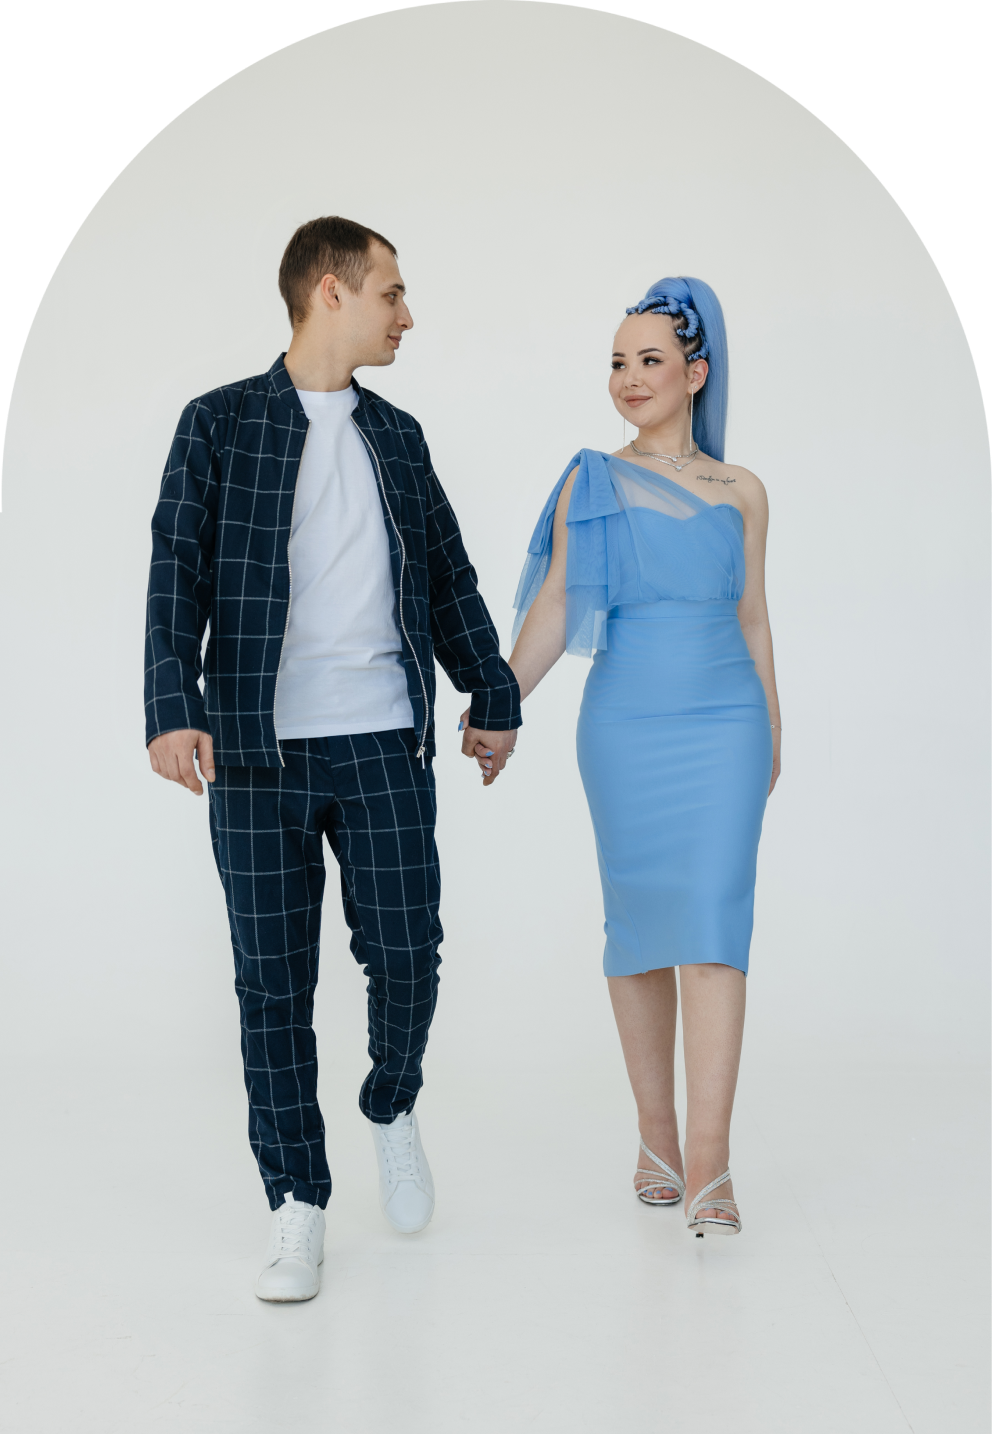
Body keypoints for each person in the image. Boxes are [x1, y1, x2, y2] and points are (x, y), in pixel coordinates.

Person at [144, 216, 520, 1300]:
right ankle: (296, 1204)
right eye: (391, 293)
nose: (408, 316)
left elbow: (447, 575)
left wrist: (491, 692)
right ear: (330, 292)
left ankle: (390, 1103)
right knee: (272, 984)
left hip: (381, 741)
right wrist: (171, 706)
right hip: (255, 750)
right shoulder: (219, 423)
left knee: (407, 952)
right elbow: (175, 573)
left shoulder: (397, 436)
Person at [505, 277, 780, 1236]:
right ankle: (656, 1136)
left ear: (695, 373)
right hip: (624, 726)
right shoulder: (592, 479)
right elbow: (555, 604)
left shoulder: (745, 491)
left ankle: (711, 1161)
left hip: (727, 724)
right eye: (618, 362)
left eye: (650, 360)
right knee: (637, 932)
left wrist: (772, 729)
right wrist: (500, 704)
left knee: (713, 926)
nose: (628, 377)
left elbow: (754, 616)